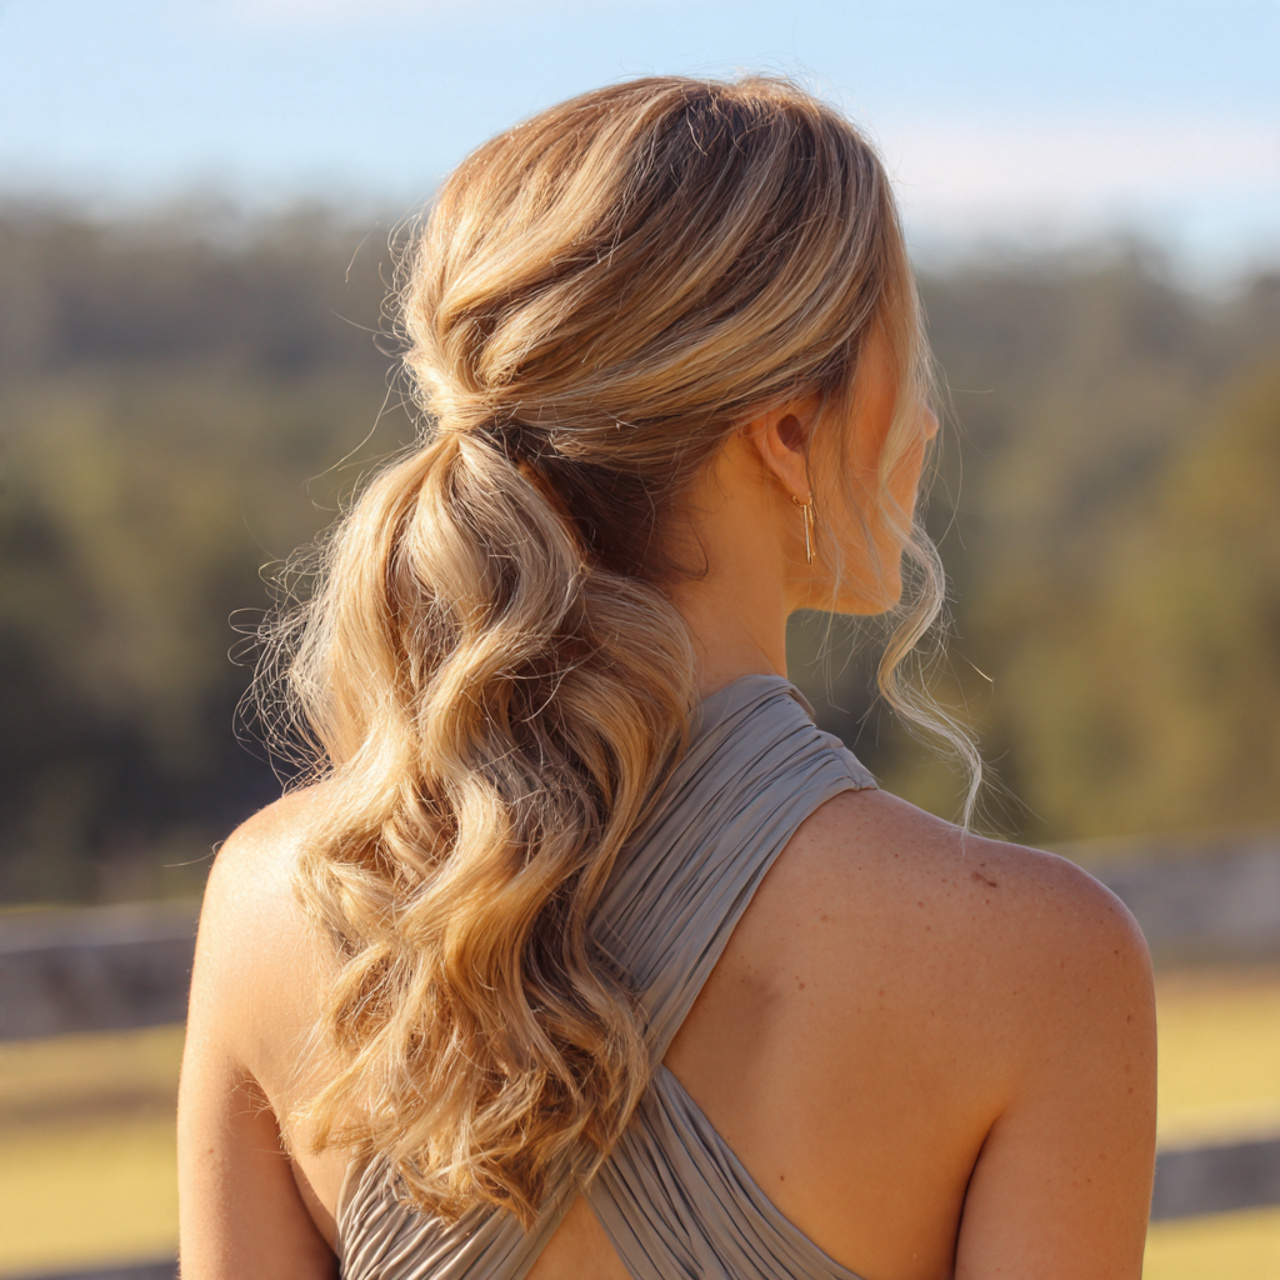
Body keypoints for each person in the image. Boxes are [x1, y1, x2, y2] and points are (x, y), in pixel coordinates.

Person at [177, 76, 1157, 1279]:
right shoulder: (1034, 958)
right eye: (904, 358)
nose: (926, 425)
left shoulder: (275, 903)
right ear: (787, 430)